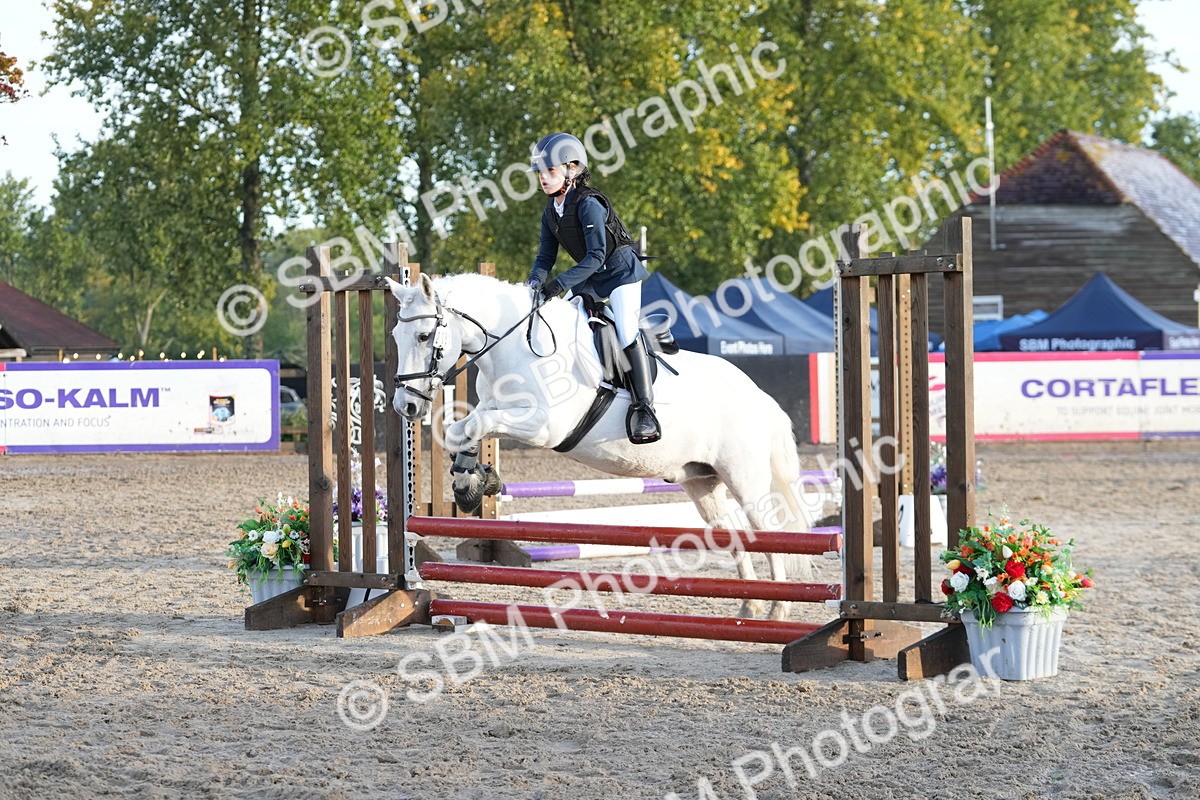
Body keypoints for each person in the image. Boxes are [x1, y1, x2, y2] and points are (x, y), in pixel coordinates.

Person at [525, 132, 660, 444]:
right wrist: (533, 284)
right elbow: (545, 256)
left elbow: (597, 255)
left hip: (619, 272)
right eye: (541, 174)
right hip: (592, 274)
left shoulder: (589, 205)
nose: (543, 179)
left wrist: (557, 285)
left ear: (572, 170)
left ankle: (644, 409)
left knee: (626, 330)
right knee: (563, 319)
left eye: (551, 172)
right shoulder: (550, 212)